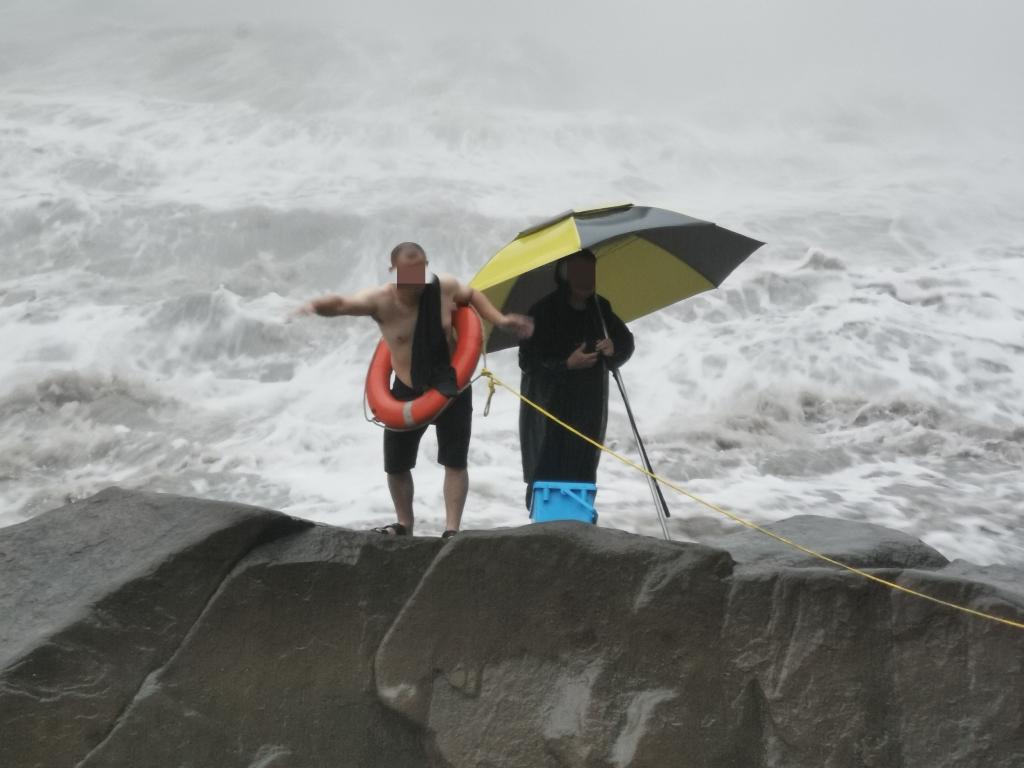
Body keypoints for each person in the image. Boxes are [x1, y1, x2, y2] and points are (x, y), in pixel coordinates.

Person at [295, 242, 533, 537]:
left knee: (454, 461)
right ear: (393, 271)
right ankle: (404, 524)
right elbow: (343, 304)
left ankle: (451, 529)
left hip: (450, 384)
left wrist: (500, 319)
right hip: (406, 389)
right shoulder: (381, 301)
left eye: (420, 266)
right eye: (407, 268)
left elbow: (470, 294)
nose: (415, 275)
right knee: (396, 465)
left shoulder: (442, 288)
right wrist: (315, 306)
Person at [518, 249, 634, 509]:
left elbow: (625, 342)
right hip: (548, 406)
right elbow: (528, 362)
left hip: (588, 404)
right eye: (579, 272)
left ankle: (579, 522)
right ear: (564, 274)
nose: (586, 279)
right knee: (547, 467)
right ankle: (543, 521)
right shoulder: (542, 311)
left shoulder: (600, 308)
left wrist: (614, 348)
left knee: (582, 466)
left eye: (590, 272)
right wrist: (567, 364)